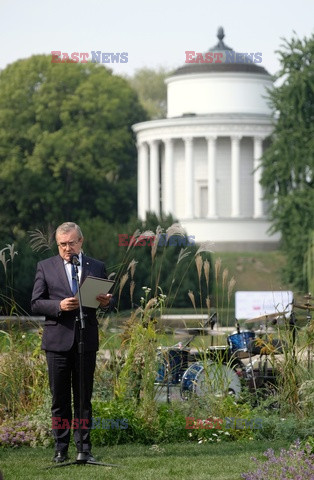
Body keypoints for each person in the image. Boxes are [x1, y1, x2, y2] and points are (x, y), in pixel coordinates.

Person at [31, 222, 113, 463]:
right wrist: (58, 306)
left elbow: (108, 300)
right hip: (57, 341)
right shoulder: (45, 267)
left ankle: (84, 449)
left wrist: (107, 302)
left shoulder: (96, 266)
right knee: (60, 399)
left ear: (81, 242)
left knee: (83, 398)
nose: (67, 248)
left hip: (85, 340)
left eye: (71, 243)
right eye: (62, 244)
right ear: (58, 244)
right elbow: (35, 302)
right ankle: (60, 448)